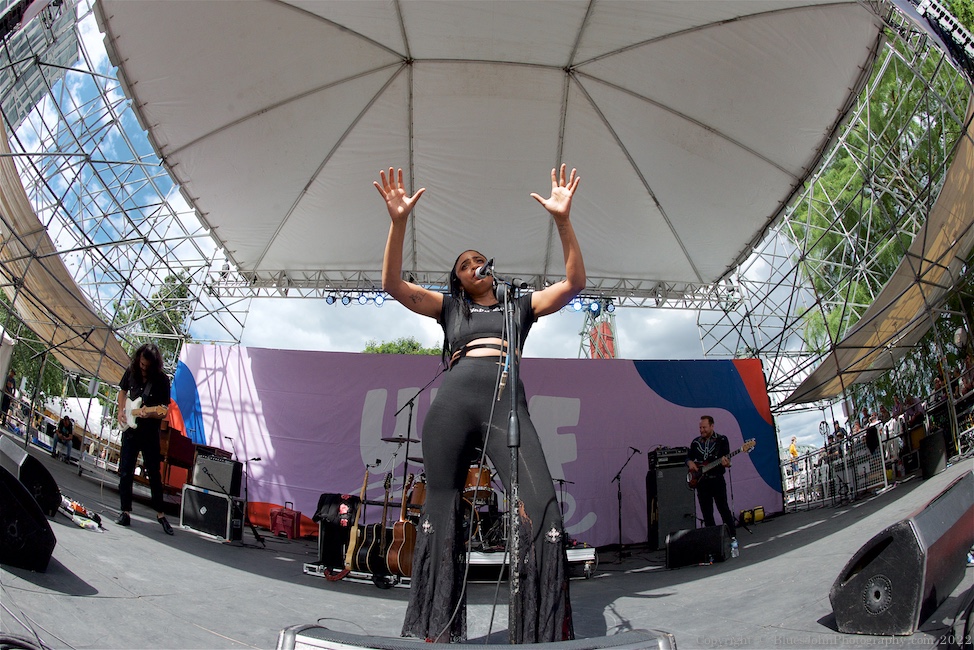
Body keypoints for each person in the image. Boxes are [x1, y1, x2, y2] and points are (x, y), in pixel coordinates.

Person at [375, 164, 584, 643]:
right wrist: (398, 222)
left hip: (506, 403)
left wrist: (562, 220)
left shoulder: (519, 306)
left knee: (542, 508)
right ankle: (436, 628)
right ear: (458, 281)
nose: (473, 266)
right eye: (463, 265)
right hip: (451, 405)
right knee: (440, 512)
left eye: (478, 260)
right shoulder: (450, 310)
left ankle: (539, 630)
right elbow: (392, 284)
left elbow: (573, 283)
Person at [115, 343, 173, 535]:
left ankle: (160, 513)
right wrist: (120, 412)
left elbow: (163, 411)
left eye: (146, 365)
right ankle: (125, 511)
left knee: (154, 474)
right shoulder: (131, 371)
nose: (143, 367)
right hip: (130, 431)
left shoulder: (162, 381)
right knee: (126, 471)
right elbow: (123, 391)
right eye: (141, 363)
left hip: (149, 434)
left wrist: (149, 413)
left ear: (154, 364)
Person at [686, 415, 737, 544]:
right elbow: (688, 456)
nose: (702, 430)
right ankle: (713, 541)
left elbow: (727, 458)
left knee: (723, 509)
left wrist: (727, 463)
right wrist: (689, 462)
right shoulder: (695, 442)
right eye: (700, 427)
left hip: (717, 480)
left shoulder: (721, 440)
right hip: (702, 482)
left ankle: (732, 536)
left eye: (704, 427)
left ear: (712, 426)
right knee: (707, 513)